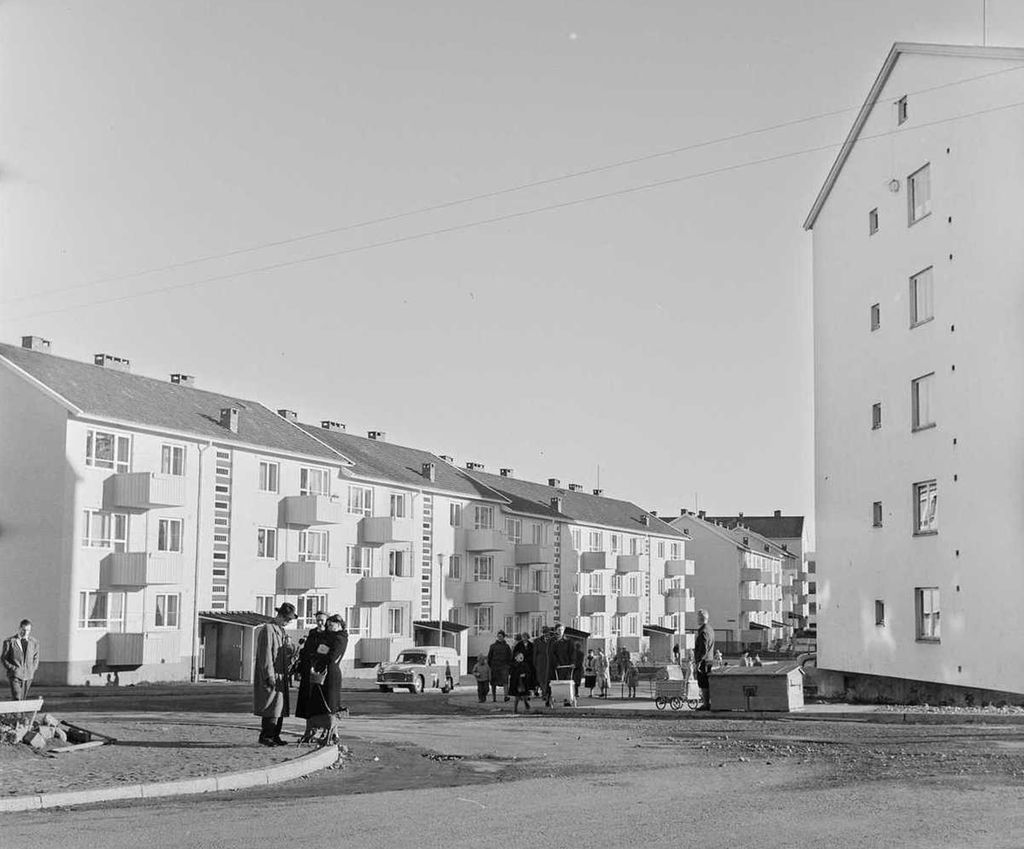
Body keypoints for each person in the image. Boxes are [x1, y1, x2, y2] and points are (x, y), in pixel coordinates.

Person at [253, 602, 297, 746]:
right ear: (280, 616)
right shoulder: (268, 629)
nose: (288, 622)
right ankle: (266, 735)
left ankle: (275, 734)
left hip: (281, 674)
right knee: (271, 706)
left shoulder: (281, 630)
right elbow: (265, 654)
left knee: (280, 706)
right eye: (287, 619)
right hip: (272, 675)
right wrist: (269, 675)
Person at [295, 613, 348, 732]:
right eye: (327, 624)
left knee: (329, 704)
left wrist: (319, 655)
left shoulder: (339, 638)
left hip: (328, 674)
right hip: (317, 672)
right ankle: (315, 730)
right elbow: (311, 650)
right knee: (315, 704)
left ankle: (331, 732)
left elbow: (331, 656)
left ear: (339, 625)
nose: (327, 626)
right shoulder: (318, 634)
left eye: (330, 624)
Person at [2, 619, 40, 700]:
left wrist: (32, 669)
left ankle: (19, 713)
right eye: (24, 630)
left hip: (28, 675)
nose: (26, 632)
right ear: (19, 628)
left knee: (23, 698)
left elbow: (36, 657)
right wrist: (14, 669)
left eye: (28, 630)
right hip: (15, 675)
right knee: (17, 696)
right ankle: (17, 712)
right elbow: (4, 658)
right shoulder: (9, 641)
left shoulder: (34, 642)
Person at [694, 609, 715, 710]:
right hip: (709, 660)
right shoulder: (710, 629)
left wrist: (698, 661)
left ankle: (706, 704)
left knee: (703, 683)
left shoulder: (703, 631)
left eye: (698, 617)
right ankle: (707, 703)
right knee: (706, 682)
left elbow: (703, 649)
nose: (696, 619)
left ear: (701, 618)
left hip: (704, 661)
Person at [486, 630, 513, 702]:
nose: (499, 638)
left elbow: (510, 657)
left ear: (504, 637)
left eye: (501, 636)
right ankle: (494, 698)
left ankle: (506, 696)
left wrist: (509, 666)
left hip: (504, 666)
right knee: (493, 682)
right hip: (494, 667)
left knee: (505, 681)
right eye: (498, 636)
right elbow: (489, 657)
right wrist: (490, 666)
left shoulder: (507, 647)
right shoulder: (493, 646)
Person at [532, 626, 554, 706]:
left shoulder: (552, 641)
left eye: (547, 633)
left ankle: (546, 694)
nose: (546, 635)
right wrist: (535, 663)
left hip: (549, 662)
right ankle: (544, 694)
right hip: (540, 662)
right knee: (541, 679)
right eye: (545, 633)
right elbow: (535, 652)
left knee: (547, 679)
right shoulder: (537, 641)